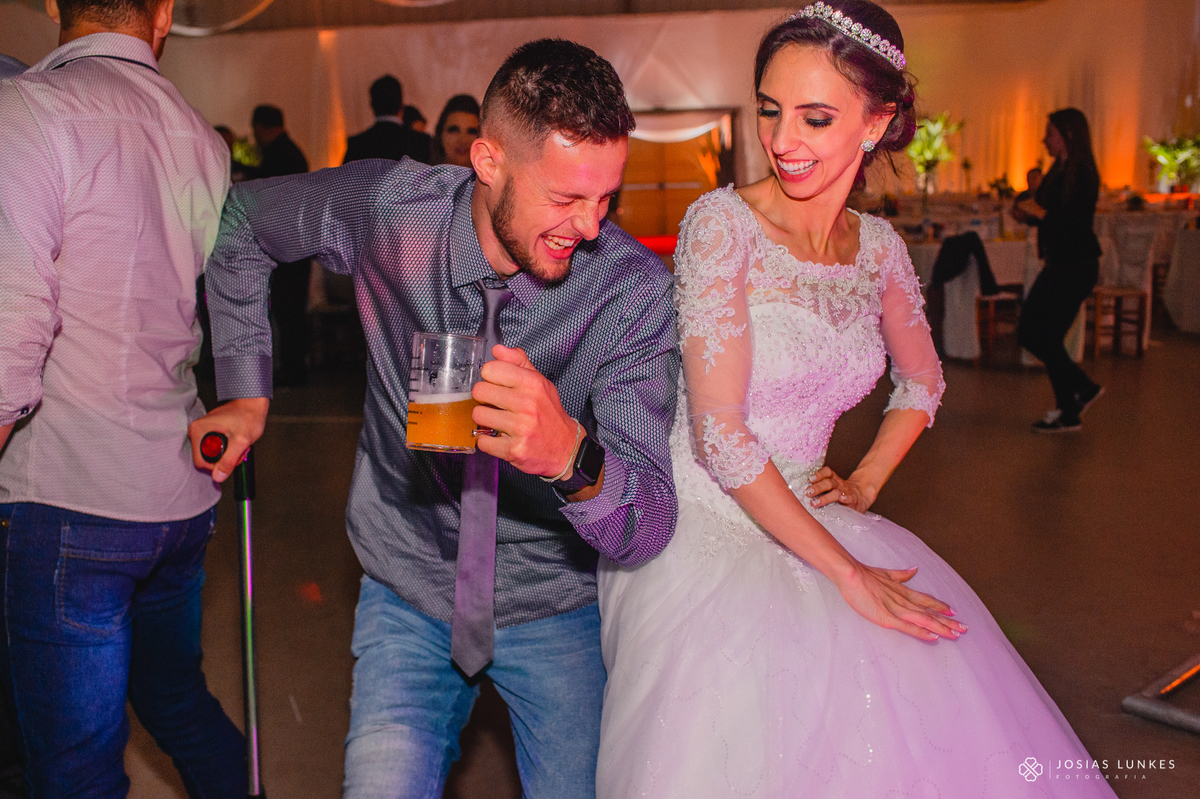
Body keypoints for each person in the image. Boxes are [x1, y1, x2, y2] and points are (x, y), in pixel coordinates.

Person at [597, 4, 1117, 797]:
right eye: (769, 111)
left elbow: (923, 380)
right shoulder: (720, 227)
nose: (782, 140)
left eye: (814, 116)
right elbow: (721, 434)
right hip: (706, 529)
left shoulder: (878, 251)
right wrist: (846, 571)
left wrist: (867, 480)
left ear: (876, 122)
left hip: (815, 504)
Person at [194, 39, 678, 798]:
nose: (590, 226)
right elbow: (239, 226)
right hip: (407, 585)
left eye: (605, 197)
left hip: (556, 604)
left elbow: (649, 522)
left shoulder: (631, 293)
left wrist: (571, 457)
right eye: (565, 198)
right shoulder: (391, 211)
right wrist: (246, 388)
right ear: (487, 162)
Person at [0, 0, 247, 794]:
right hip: (177, 492)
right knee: (176, 698)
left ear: (50, 5)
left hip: (70, 498)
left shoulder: (32, 111)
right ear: (166, 13)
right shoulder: (201, 138)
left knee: (74, 766)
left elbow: (9, 339)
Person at [1016, 109, 1104, 433]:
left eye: (1050, 132)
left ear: (1067, 135)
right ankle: (1076, 399)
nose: (1044, 139)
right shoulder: (1061, 168)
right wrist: (1029, 211)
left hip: (1076, 265)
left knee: (1038, 334)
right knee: (1037, 333)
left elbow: (1067, 218)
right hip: (1063, 263)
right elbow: (1044, 204)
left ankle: (1075, 401)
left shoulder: (1081, 172)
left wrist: (1035, 215)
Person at [252, 103, 313, 387]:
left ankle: (291, 369)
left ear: (261, 128)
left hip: (286, 247)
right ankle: (294, 367)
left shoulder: (277, 156)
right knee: (292, 312)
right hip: (298, 246)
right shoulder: (292, 152)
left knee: (287, 312)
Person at [343, 75, 432, 165]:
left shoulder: (357, 144)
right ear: (402, 105)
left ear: (372, 105)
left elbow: (343, 176)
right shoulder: (421, 142)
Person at [431, 93, 481, 168]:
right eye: (454, 131)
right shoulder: (422, 177)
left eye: (471, 132)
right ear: (440, 134)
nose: (463, 140)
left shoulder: (494, 178)